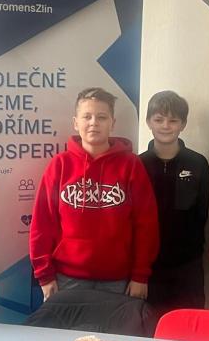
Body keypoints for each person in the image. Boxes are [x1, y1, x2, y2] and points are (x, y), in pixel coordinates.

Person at [30, 87, 158, 302]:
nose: (93, 123)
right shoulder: (59, 165)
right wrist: (44, 275)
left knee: (114, 327)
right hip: (66, 279)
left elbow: (146, 224)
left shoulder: (131, 165)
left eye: (101, 117)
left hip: (119, 281)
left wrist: (140, 275)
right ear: (75, 122)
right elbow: (42, 224)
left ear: (112, 123)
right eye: (86, 116)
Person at [139, 90, 209, 315]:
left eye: (173, 120)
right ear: (148, 122)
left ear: (183, 124)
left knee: (188, 323)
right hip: (148, 266)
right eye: (159, 119)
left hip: (188, 265)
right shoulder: (137, 164)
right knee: (150, 323)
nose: (165, 126)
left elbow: (202, 213)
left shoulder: (198, 163)